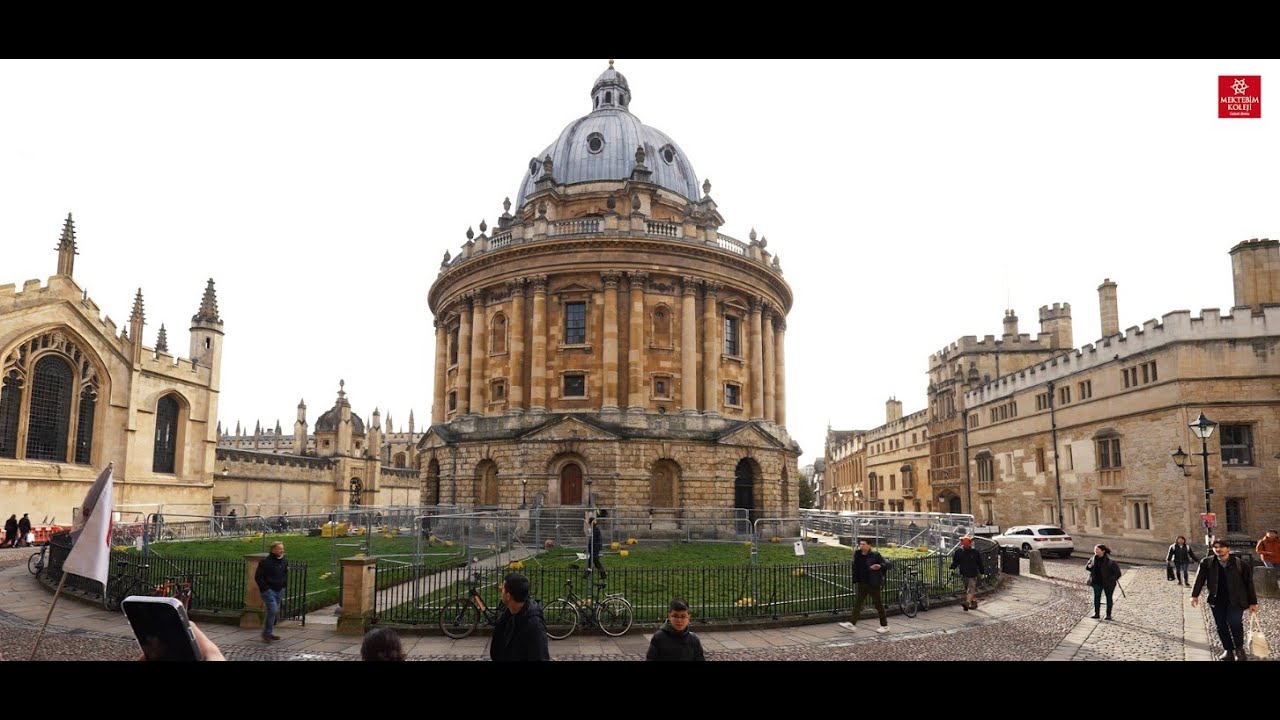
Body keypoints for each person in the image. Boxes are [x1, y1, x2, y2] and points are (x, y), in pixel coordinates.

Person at [1192, 538, 1259, 661]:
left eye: (1221, 547)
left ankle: (1239, 650)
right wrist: (1194, 595)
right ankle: (1228, 650)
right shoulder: (1207, 563)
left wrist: (1253, 602)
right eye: (1216, 547)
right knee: (1221, 626)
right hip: (1216, 600)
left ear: (1228, 549)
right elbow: (1199, 579)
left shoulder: (1240, 564)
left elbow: (1249, 583)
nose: (1218, 549)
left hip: (1236, 600)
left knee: (1235, 624)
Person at [489, 572, 550, 662]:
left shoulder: (534, 625)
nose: (500, 589)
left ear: (508, 596)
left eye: (503, 589)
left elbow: (540, 656)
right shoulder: (507, 611)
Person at [848, 538, 893, 633]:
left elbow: (888, 564)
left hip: (873, 583)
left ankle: (885, 626)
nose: (861, 546)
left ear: (869, 545)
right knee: (858, 604)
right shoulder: (858, 554)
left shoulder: (875, 555)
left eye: (863, 544)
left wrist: (880, 566)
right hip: (862, 583)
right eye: (860, 544)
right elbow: (855, 567)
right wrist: (855, 578)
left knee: (878, 605)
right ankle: (852, 624)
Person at [254, 541, 288, 642]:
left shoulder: (284, 561)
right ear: (273, 550)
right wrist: (265, 588)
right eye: (279, 549)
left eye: (282, 548)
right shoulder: (265, 562)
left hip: (279, 590)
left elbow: (285, 574)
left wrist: (283, 585)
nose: (282, 550)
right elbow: (258, 577)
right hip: (269, 591)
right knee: (273, 610)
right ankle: (267, 633)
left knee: (272, 612)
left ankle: (268, 633)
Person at [1084, 544, 1122, 620]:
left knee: (1109, 598)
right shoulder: (1092, 559)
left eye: (1097, 549)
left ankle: (1108, 615)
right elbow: (1087, 568)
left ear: (1103, 551)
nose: (1095, 551)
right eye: (1095, 549)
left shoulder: (1110, 562)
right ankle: (1096, 613)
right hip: (1096, 582)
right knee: (1096, 597)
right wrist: (1089, 566)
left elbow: (1118, 573)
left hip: (1108, 584)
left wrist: (1111, 579)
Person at [950, 536, 986, 610]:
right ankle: (974, 602)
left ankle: (967, 603)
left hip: (973, 574)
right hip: (964, 574)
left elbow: (980, 563)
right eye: (964, 543)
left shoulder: (975, 552)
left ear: (970, 543)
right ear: (962, 543)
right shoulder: (958, 552)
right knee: (968, 590)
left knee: (970, 589)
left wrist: (982, 572)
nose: (965, 545)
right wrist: (952, 568)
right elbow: (955, 562)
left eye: (967, 543)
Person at [587, 515, 607, 579]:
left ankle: (603, 574)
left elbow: (593, 540)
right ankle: (587, 574)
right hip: (594, 548)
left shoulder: (595, 530)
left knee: (595, 562)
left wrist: (590, 547)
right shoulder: (594, 529)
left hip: (595, 548)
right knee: (592, 562)